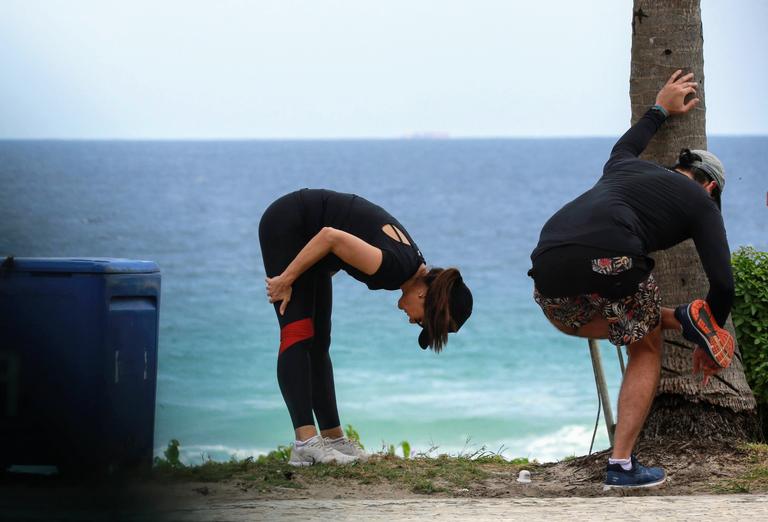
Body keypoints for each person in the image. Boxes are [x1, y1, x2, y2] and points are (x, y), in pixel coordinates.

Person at [528, 70, 735, 489]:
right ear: (710, 186)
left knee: (580, 318)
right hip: (614, 258)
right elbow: (723, 283)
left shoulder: (623, 164)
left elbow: (629, 140)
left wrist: (661, 105)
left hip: (548, 257)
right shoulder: (702, 202)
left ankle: (681, 317)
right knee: (646, 345)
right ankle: (621, 465)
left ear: (676, 167)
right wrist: (712, 335)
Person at [259, 188, 473, 466]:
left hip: (314, 242)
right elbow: (330, 236)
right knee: (297, 333)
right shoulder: (394, 269)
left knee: (319, 343)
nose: (411, 321)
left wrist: (316, 276)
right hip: (290, 226)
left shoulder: (408, 265)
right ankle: (305, 443)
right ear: (425, 297)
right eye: (420, 320)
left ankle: (334, 439)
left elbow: (348, 233)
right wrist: (287, 279)